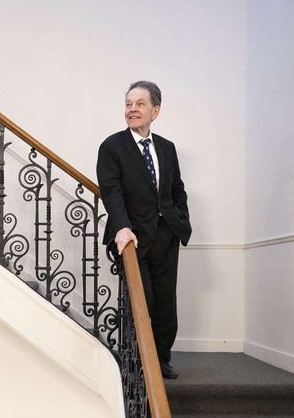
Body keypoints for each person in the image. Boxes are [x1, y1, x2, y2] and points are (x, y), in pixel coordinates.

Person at [96, 80, 191, 379]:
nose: (132, 109)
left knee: (165, 304)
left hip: (166, 235)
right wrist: (122, 227)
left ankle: (161, 360)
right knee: (140, 303)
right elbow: (111, 191)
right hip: (132, 238)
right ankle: (136, 362)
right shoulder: (111, 146)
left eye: (139, 104)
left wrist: (181, 220)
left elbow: (177, 190)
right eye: (128, 104)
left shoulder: (167, 148)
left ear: (155, 111)